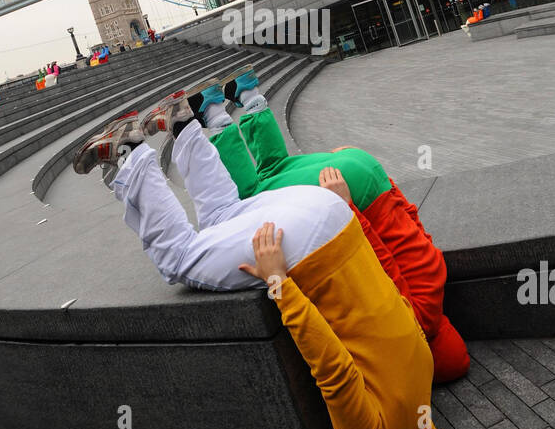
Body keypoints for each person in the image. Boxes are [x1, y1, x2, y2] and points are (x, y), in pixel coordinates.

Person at [73, 99, 457, 429]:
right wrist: (279, 282)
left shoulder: (424, 374)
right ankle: (130, 154)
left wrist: (347, 209)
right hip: (305, 247)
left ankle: (184, 126)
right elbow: (332, 367)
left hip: (331, 214)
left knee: (226, 212)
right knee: (179, 258)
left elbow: (391, 281)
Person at [145, 70, 469, 383]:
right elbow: (382, 264)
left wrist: (360, 161)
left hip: (371, 177)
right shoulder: (417, 323)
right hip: (353, 192)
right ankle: (213, 111)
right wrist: (348, 205)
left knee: (277, 167)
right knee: (252, 195)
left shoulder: (435, 282)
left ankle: (248, 92)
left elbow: (409, 217)